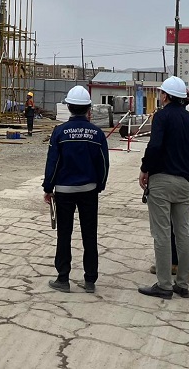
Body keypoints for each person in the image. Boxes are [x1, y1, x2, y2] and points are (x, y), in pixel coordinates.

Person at [138, 76, 189, 299]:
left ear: (165, 96)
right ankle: (182, 283)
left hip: (162, 180)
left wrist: (145, 168)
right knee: (183, 232)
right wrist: (188, 176)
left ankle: (164, 285)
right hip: (184, 182)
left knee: (162, 233)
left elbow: (155, 146)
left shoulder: (162, 116)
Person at [43, 85, 110, 294]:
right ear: (89, 108)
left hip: (64, 191)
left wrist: (48, 187)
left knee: (64, 234)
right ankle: (90, 280)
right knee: (90, 234)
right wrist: (100, 185)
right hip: (89, 190)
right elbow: (103, 163)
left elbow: (52, 162)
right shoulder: (97, 133)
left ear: (69, 107)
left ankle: (63, 278)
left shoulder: (60, 132)